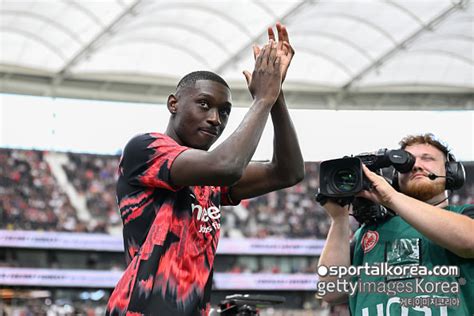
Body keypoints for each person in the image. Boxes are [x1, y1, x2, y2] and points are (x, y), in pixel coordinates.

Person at [106, 23, 304, 315]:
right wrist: (262, 99)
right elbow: (226, 166)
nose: (215, 119)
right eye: (204, 104)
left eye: (224, 111)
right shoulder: (144, 149)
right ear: (173, 104)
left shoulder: (208, 178)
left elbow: (287, 172)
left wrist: (276, 97)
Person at [317, 133, 474, 315]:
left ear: (451, 172)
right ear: (395, 179)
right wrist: (339, 219)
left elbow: (469, 241)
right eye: (406, 163)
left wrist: (391, 197)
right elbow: (332, 292)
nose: (416, 166)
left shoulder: (464, 215)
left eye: (427, 158)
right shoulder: (368, 232)